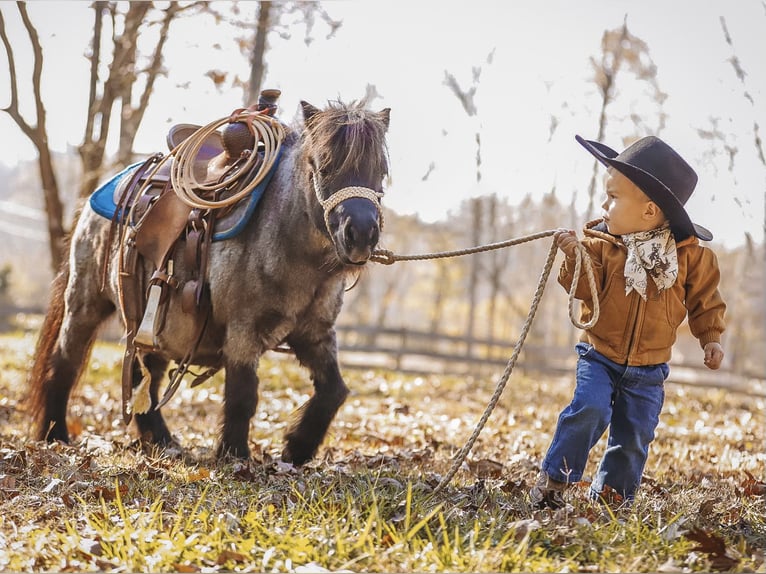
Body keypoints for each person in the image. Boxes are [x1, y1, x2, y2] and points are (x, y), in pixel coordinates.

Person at [530, 135, 727, 509]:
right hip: (600, 354)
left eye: (614, 197)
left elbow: (706, 301)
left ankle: (612, 496)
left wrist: (711, 338)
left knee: (634, 434)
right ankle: (555, 481)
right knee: (589, 409)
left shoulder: (690, 259)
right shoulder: (602, 246)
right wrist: (575, 257)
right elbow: (585, 290)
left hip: (650, 368)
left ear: (649, 211)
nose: (604, 205)